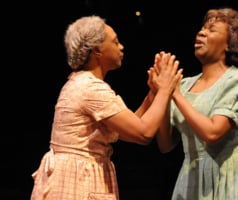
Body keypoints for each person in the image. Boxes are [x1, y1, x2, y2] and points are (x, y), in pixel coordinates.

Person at [30, 15, 182, 200]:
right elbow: (144, 133)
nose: (121, 47)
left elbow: (129, 127)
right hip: (78, 178)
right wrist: (166, 90)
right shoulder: (91, 89)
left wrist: (154, 94)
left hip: (73, 173)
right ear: (97, 51)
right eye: (115, 42)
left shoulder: (81, 83)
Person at [149, 7, 238, 200]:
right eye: (201, 29)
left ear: (230, 44)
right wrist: (163, 93)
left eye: (211, 30)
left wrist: (175, 94)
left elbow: (213, 132)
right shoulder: (183, 85)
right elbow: (165, 144)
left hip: (231, 176)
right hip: (192, 179)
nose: (201, 32)